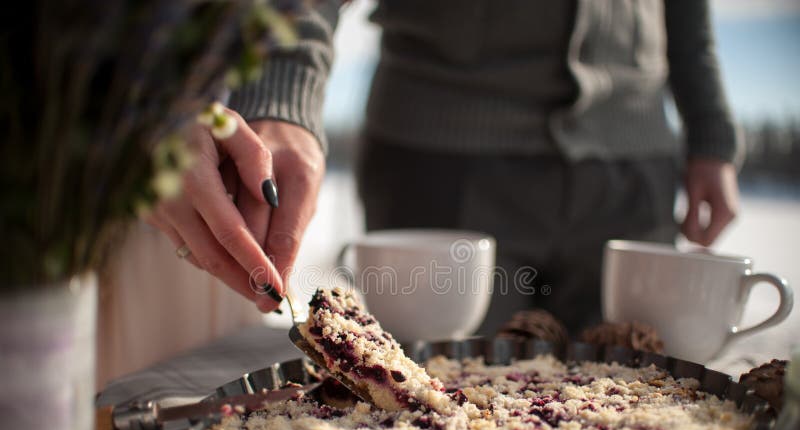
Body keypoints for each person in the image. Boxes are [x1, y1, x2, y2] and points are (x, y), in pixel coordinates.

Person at [151, 0, 743, 336]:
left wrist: (711, 132)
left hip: (634, 172)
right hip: (441, 168)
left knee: (638, 405)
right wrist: (283, 94)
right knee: (437, 415)